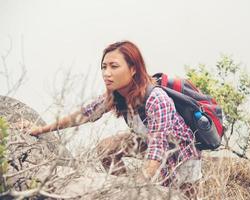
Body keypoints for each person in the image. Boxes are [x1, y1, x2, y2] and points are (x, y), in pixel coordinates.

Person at [27, 41, 202, 190]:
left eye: (114, 66)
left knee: (180, 194)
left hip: (181, 155)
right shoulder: (117, 95)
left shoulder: (157, 99)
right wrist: (41, 129)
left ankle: (134, 190)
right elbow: (83, 115)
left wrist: (139, 188)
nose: (106, 73)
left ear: (133, 69)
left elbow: (158, 150)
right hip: (149, 142)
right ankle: (123, 187)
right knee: (106, 148)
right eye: (104, 67)